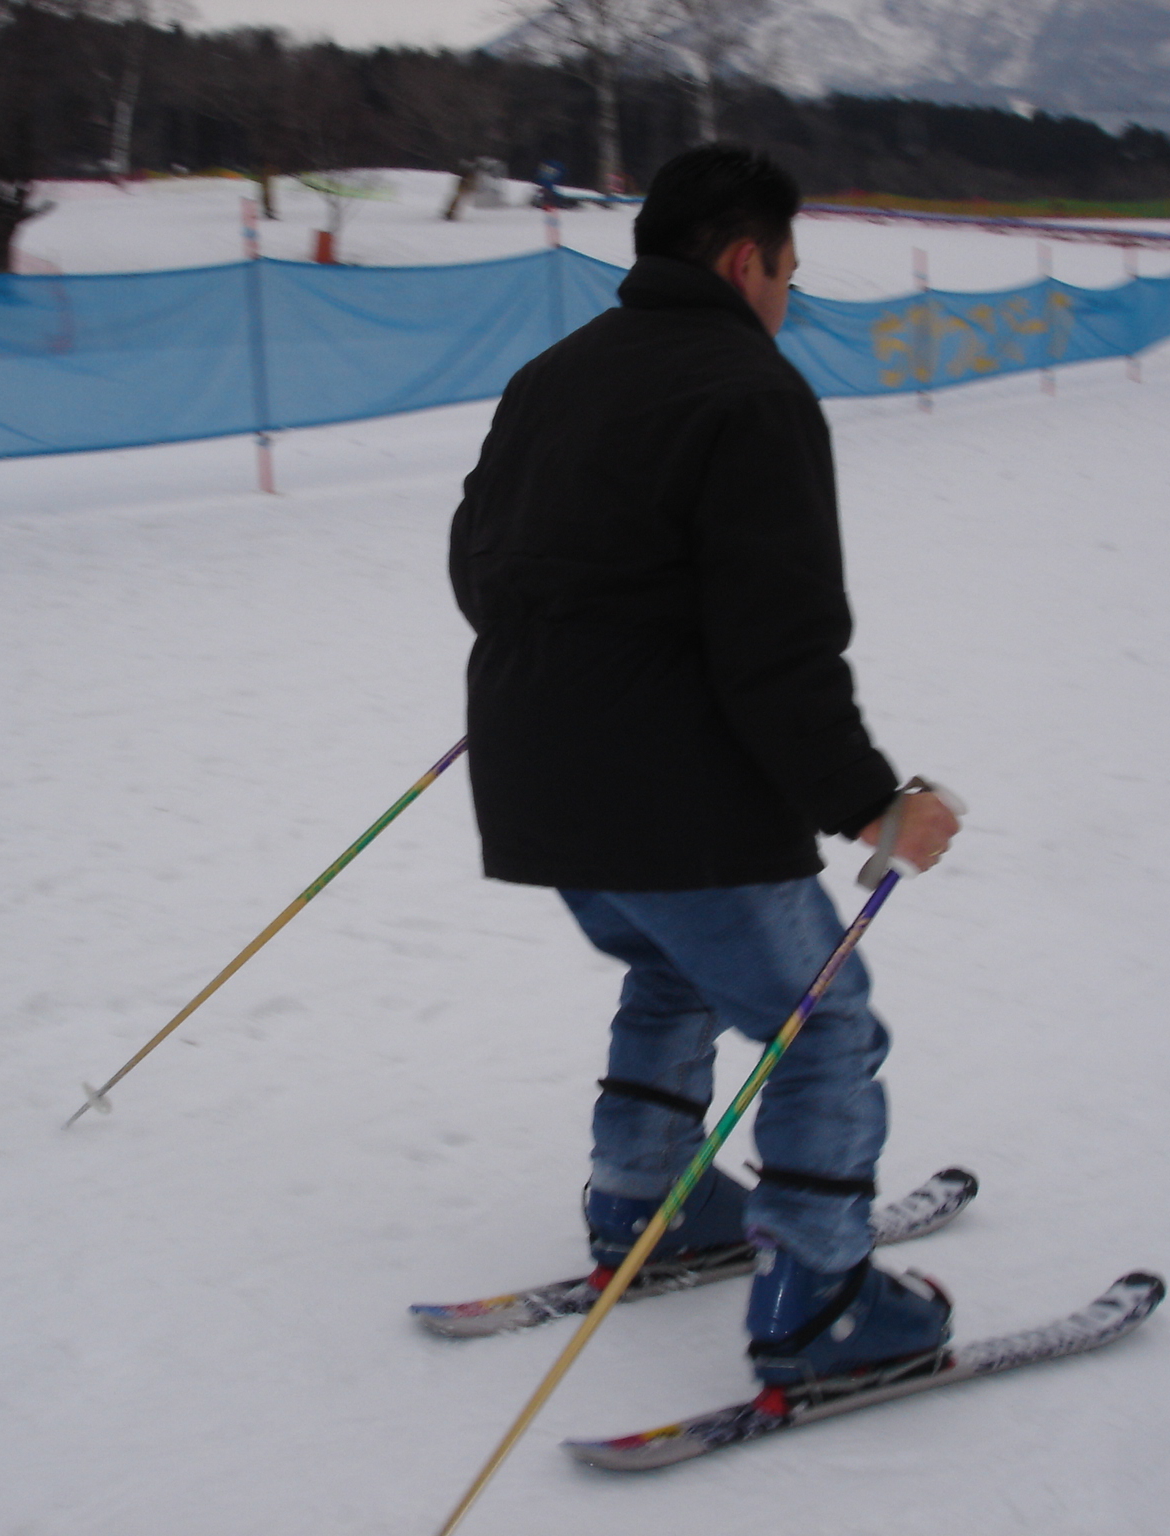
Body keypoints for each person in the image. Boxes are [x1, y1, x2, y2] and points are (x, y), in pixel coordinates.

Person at [448, 145, 961, 1384]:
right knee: (818, 1026)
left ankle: (648, 1202)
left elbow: (482, 565)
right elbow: (777, 646)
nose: (788, 296)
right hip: (672, 793)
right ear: (745, 260)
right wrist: (871, 803)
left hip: (539, 782)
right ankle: (817, 1303)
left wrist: (576, 653)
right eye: (787, 270)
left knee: (675, 973)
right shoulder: (749, 390)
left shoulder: (551, 375)